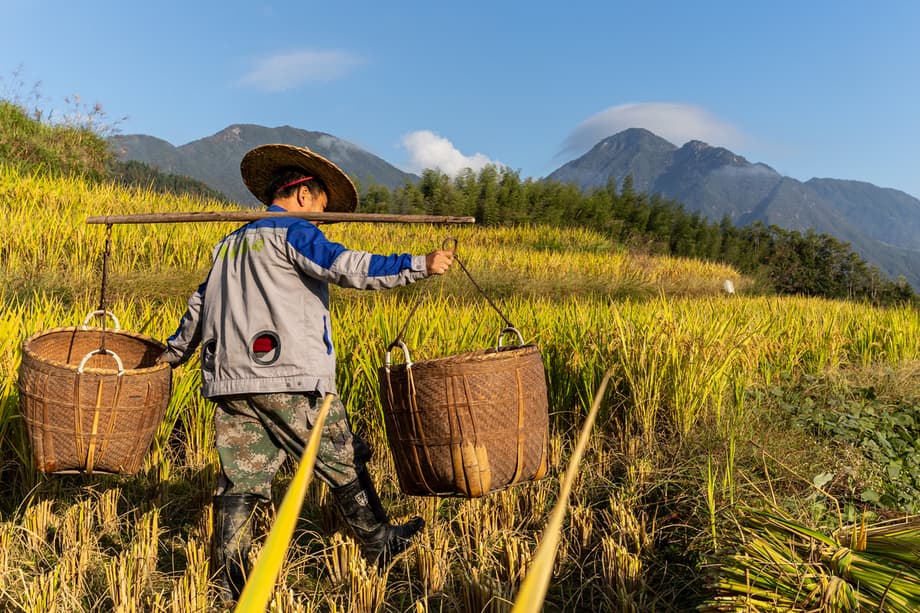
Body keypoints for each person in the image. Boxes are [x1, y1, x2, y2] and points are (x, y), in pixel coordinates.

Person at [160, 143, 454, 603]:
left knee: (242, 478)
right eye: (320, 207)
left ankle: (229, 576)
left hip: (229, 382)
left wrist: (171, 356)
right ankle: (379, 543)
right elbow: (347, 266)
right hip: (288, 377)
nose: (321, 218)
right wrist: (418, 265)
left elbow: (198, 307)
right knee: (341, 458)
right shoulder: (293, 232)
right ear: (301, 195)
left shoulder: (228, 244)